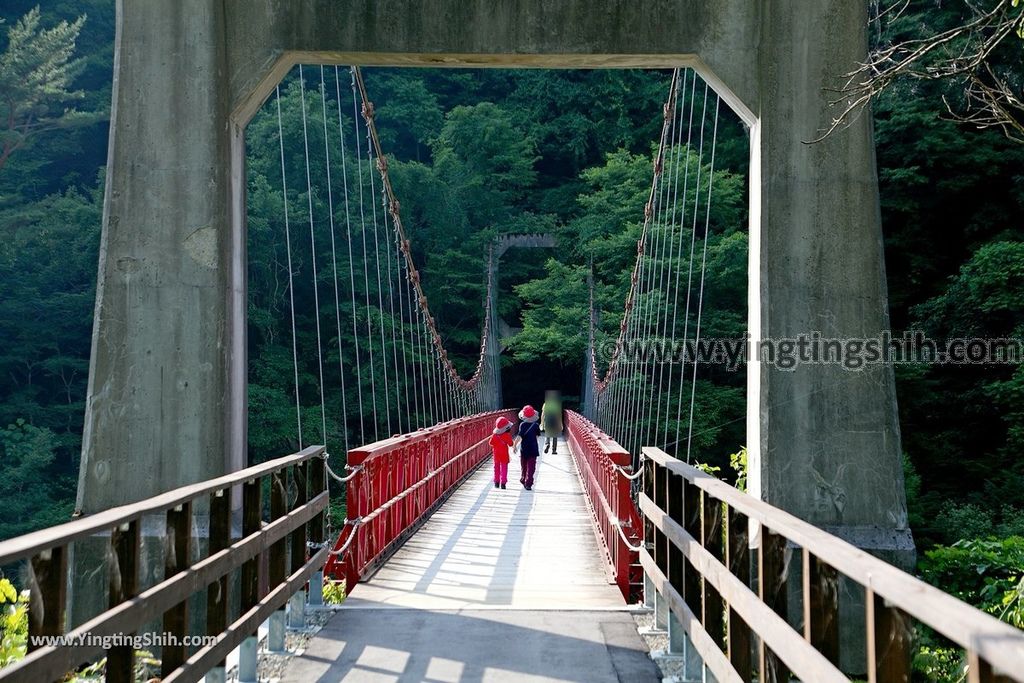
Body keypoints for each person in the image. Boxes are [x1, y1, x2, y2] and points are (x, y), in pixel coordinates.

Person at [515, 404, 541, 490]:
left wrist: (515, 445)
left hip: (524, 449)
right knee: (531, 467)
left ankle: (523, 478)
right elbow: (537, 437)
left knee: (524, 465)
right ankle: (529, 483)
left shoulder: (522, 425)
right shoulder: (536, 425)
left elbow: (519, 437)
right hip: (533, 448)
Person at [489, 416, 514, 490]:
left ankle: (496, 482)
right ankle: (503, 483)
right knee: (504, 468)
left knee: (496, 468)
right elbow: (511, 444)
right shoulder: (507, 435)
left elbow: (490, 443)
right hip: (504, 455)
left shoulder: (495, 435)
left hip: (496, 454)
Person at [541, 390, 563, 454]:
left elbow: (543, 414)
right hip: (555, 420)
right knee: (555, 435)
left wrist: (542, 422)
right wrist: (560, 424)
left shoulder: (545, 404)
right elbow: (558, 415)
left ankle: (547, 444)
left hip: (547, 420)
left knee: (548, 433)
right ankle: (554, 450)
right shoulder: (557, 405)